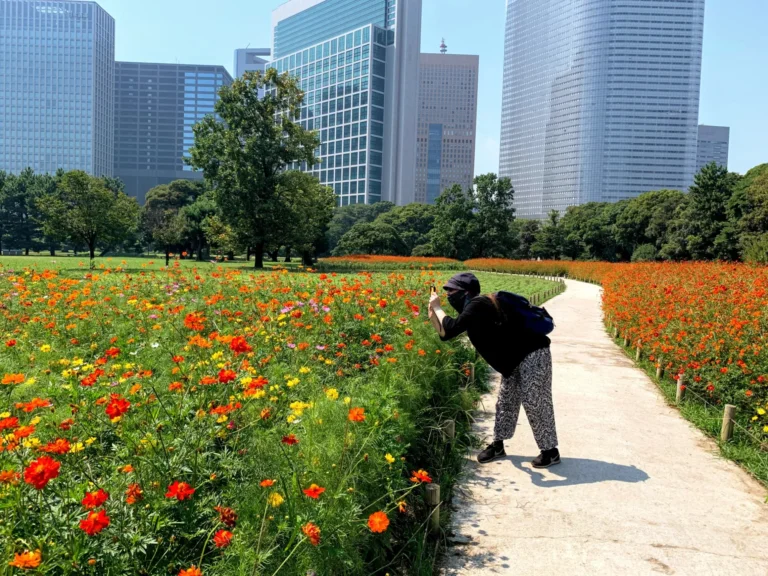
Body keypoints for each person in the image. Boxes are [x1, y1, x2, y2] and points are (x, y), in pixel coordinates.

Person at [428, 272, 560, 467]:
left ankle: (551, 451)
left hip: (533, 353)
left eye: (451, 290)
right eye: (445, 291)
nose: (448, 294)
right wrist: (432, 313)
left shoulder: (478, 304)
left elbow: (451, 327)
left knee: (535, 401)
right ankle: (498, 445)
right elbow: (445, 334)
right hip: (512, 360)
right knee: (506, 402)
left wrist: (438, 307)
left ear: (466, 292)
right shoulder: (473, 309)